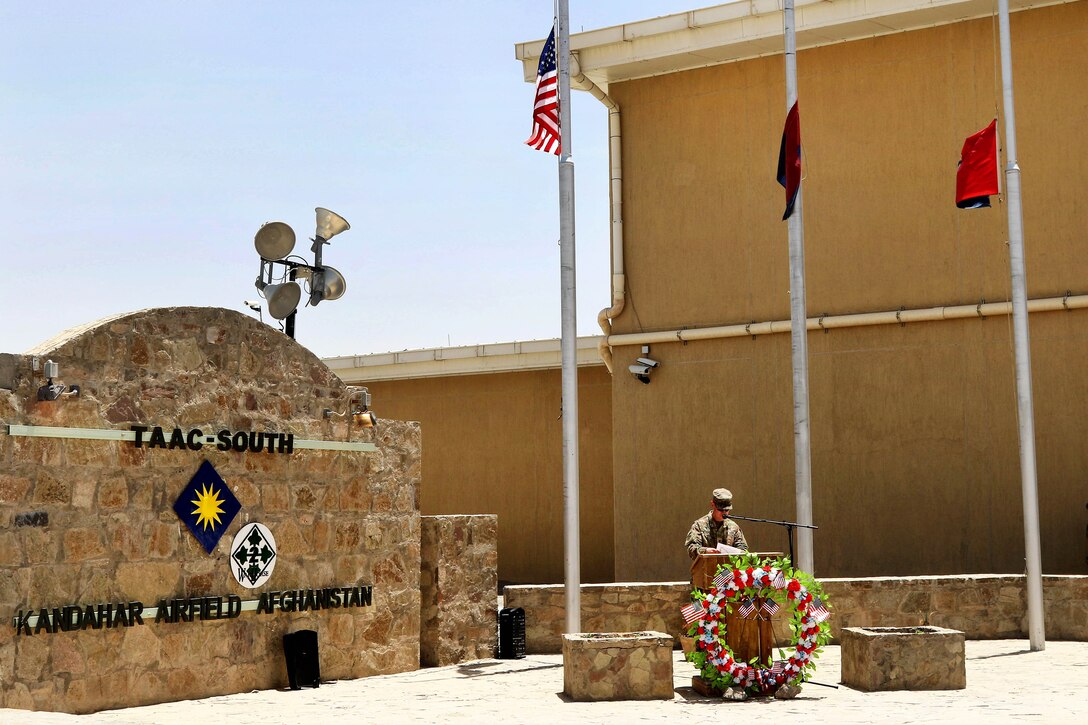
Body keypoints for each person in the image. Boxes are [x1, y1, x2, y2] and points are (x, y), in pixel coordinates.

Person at [685, 488, 748, 559]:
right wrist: (705, 551)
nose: (724, 513)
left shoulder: (733, 527)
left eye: (727, 510)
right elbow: (691, 548)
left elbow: (743, 549)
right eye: (720, 509)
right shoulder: (699, 525)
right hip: (706, 568)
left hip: (728, 568)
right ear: (712, 504)